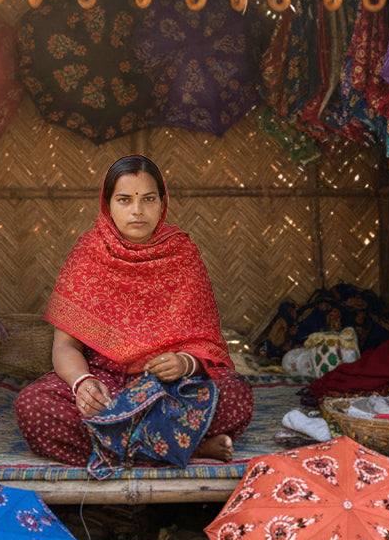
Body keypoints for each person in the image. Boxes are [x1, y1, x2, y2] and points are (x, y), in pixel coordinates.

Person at [15, 155, 254, 466]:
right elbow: (64, 345)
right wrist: (82, 383)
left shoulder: (182, 253)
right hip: (106, 383)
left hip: (170, 387)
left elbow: (206, 342)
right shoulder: (88, 253)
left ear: (162, 203)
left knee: (236, 394)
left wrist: (185, 363)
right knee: (33, 406)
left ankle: (123, 445)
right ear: (108, 203)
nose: (137, 211)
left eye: (148, 199)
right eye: (125, 200)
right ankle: (188, 448)